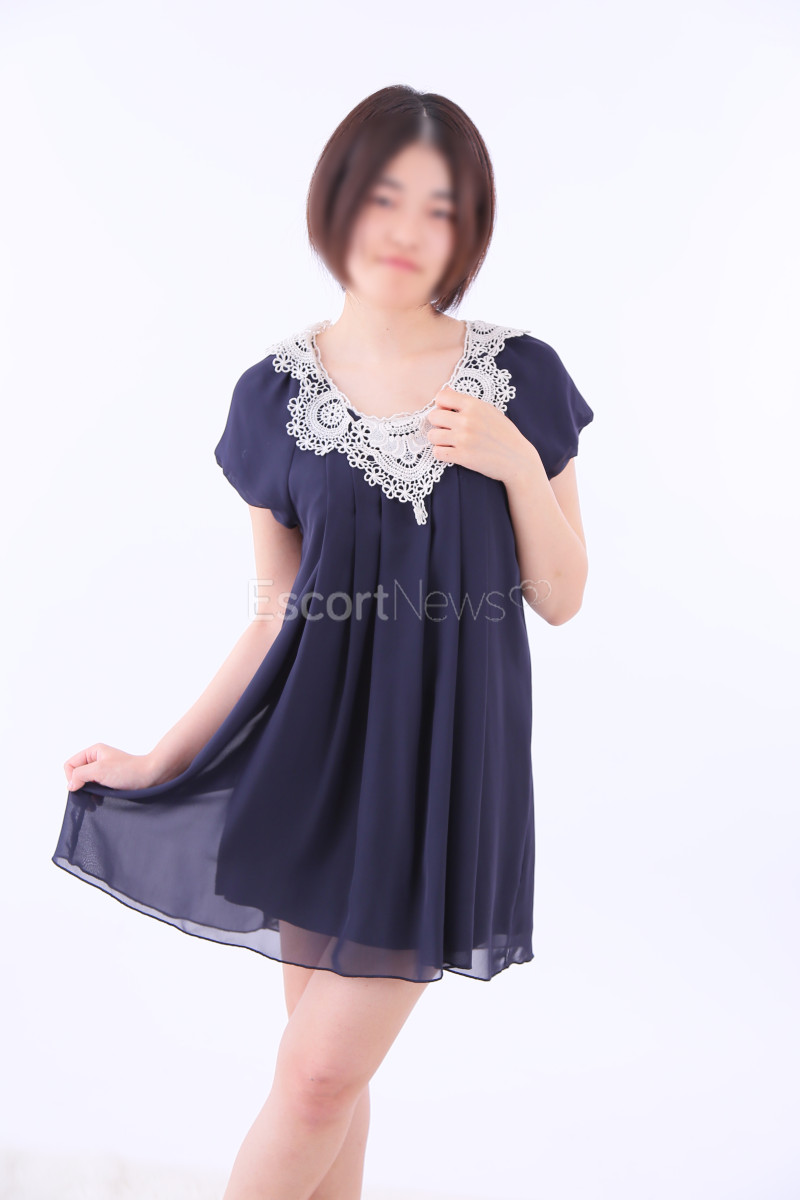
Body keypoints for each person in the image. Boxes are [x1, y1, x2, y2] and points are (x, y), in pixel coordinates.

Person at [52, 85, 594, 1199]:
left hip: (443, 771)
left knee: (315, 1078)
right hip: (312, 762)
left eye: (439, 208)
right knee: (322, 1083)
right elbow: (273, 612)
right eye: (384, 197)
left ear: (470, 229)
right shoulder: (271, 396)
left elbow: (562, 595)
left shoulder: (521, 376)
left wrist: (511, 463)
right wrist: (157, 760)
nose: (406, 230)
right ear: (336, 204)